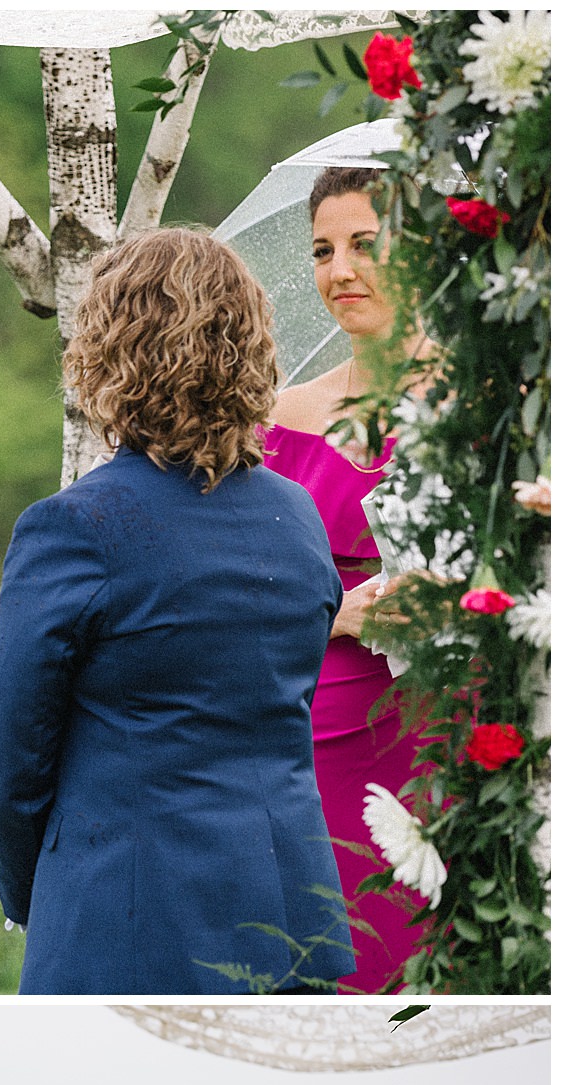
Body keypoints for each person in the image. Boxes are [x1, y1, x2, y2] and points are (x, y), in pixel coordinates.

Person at [0, 229, 354, 995]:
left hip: (128, 918)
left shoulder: (75, 527)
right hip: (291, 913)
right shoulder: (297, 514)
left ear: (108, 352)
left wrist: (33, 893)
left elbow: (9, 751)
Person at [265, 164, 431, 991]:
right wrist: (331, 615)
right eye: (323, 251)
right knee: (348, 947)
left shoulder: (497, 403)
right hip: (325, 715)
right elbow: (241, 586)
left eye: (363, 244)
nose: (339, 271)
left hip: (451, 712)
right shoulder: (282, 417)